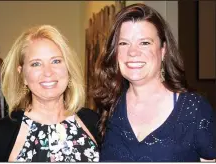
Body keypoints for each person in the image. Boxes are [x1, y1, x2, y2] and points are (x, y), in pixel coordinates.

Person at [92, 3, 216, 162]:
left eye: (144, 42)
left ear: (163, 50)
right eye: (123, 43)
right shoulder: (109, 107)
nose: (132, 52)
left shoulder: (194, 109)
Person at [0, 25, 100, 162]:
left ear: (68, 69)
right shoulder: (0, 134)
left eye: (56, 61)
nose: (48, 72)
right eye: (36, 64)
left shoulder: (95, 122)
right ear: (22, 75)